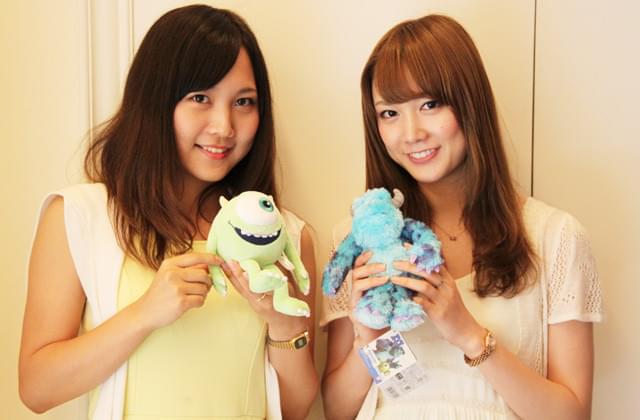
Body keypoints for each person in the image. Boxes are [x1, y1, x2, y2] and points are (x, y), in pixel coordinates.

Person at [19, 5, 318, 420]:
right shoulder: (80, 216)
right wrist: (144, 314)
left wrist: (285, 325)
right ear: (155, 101)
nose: (224, 126)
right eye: (200, 98)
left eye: (244, 102)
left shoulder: (285, 235)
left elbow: (296, 408)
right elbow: (37, 389)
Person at [321, 14, 602, 420]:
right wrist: (372, 338)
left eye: (430, 105)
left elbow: (572, 415)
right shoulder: (358, 239)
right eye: (390, 113)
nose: (411, 133)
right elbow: (338, 412)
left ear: (470, 103)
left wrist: (469, 335)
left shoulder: (554, 236)